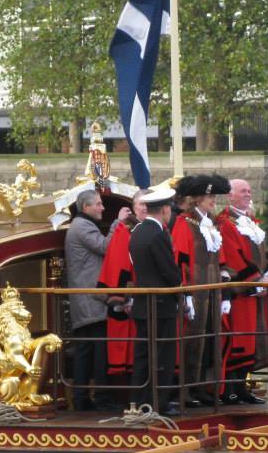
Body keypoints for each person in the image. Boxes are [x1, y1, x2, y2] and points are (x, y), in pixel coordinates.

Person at [216, 178, 268, 404]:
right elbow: (233, 257)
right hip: (241, 294)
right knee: (238, 341)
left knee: (253, 340)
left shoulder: (250, 222)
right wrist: (256, 281)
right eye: (242, 190)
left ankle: (242, 387)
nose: (248, 193)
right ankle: (229, 389)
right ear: (230, 195)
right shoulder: (226, 223)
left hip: (257, 292)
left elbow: (265, 255)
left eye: (249, 190)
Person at [64, 189, 131, 411]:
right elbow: (105, 247)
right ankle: (98, 396)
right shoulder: (82, 226)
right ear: (86, 207)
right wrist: (117, 223)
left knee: (86, 351)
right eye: (99, 204)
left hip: (85, 301)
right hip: (90, 301)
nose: (103, 208)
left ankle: (83, 397)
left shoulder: (80, 225)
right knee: (97, 350)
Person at [171, 174, 231, 406]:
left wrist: (225, 293)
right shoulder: (184, 223)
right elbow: (180, 260)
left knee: (210, 340)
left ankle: (203, 387)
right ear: (196, 199)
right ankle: (186, 389)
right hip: (195, 292)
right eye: (208, 196)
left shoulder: (210, 224)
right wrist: (184, 293)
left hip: (212, 291)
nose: (212, 200)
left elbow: (221, 262)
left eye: (213, 196)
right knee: (192, 341)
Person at [129, 186, 182, 416]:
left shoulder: (137, 231)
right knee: (163, 355)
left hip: (143, 303)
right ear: (164, 209)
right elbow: (170, 272)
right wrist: (178, 284)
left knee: (143, 355)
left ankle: (140, 400)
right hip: (161, 304)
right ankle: (159, 401)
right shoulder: (158, 234)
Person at [97, 190, 147, 380]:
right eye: (141, 204)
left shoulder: (156, 227)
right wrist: (123, 296)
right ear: (133, 208)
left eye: (147, 204)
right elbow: (118, 262)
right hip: (130, 300)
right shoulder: (125, 229)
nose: (144, 208)